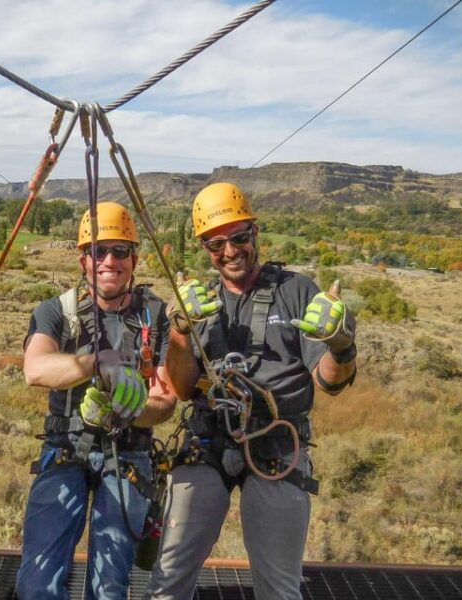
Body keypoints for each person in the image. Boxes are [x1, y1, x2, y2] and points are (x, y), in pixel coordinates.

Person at [146, 183, 357, 600]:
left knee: (279, 589)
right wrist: (181, 332)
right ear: (205, 249)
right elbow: (185, 388)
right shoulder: (200, 303)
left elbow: (330, 382)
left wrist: (340, 344)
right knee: (167, 581)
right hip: (209, 438)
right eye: (216, 244)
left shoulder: (296, 292)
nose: (230, 252)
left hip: (277, 444)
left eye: (239, 238)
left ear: (255, 234)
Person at [16, 202, 177, 599]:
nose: (109, 261)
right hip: (66, 448)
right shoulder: (58, 312)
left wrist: (135, 409)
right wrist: (93, 363)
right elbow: (35, 368)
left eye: (120, 251)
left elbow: (167, 400)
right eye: (98, 251)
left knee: (108, 587)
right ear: (82, 259)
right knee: (37, 583)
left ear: (134, 259)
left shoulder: (155, 316)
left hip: (129, 454)